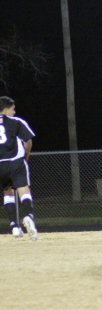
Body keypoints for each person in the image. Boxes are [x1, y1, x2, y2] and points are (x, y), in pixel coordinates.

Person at [0, 96, 38, 240]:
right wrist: (26, 155)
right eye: (13, 109)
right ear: (6, 109)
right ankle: (28, 216)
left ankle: (14, 226)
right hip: (15, 162)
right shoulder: (16, 122)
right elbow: (28, 141)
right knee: (24, 190)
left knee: (7, 193)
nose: (14, 112)